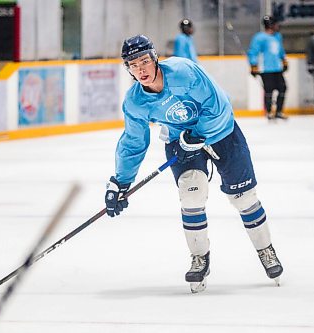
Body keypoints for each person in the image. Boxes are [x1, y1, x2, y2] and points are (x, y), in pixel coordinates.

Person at [104, 35, 283, 293]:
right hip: (180, 141)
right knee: (192, 193)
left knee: (244, 197)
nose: (140, 69)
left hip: (222, 132)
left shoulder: (183, 72)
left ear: (155, 58)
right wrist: (120, 181)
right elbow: (133, 142)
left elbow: (218, 104)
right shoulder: (135, 102)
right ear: (128, 69)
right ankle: (200, 258)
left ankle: (266, 250)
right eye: (133, 64)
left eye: (144, 61)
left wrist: (199, 134)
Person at [247, 16, 288, 120]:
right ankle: (269, 111)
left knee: (282, 88)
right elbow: (253, 52)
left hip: (277, 68)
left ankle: (279, 111)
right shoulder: (259, 37)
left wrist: (284, 60)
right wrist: (253, 65)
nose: (277, 26)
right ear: (270, 25)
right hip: (265, 68)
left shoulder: (277, 36)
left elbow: (281, 50)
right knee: (269, 90)